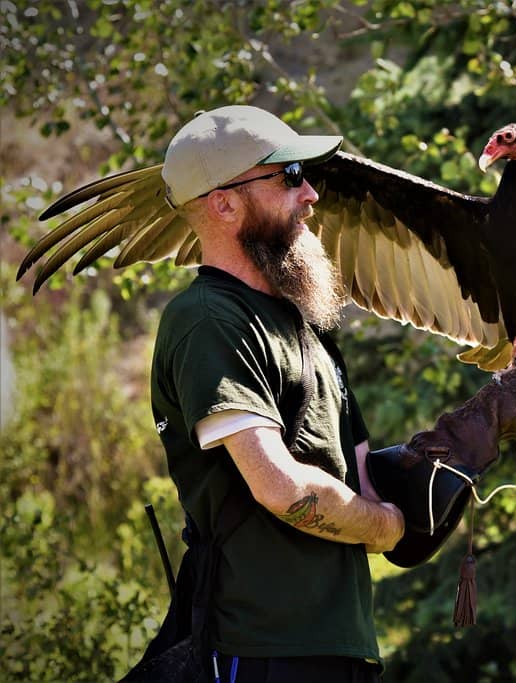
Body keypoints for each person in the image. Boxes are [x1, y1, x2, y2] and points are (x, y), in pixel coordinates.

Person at [145, 104, 405, 681]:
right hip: (258, 650)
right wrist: (389, 526)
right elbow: (281, 487)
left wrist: (471, 439)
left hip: (343, 648)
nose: (310, 193)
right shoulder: (208, 320)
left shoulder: (306, 329)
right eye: (288, 175)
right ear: (225, 202)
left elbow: (360, 482)